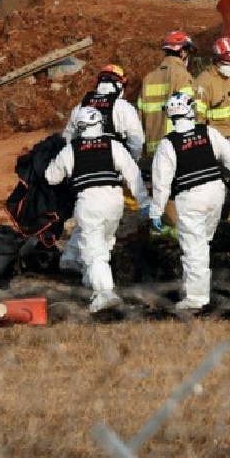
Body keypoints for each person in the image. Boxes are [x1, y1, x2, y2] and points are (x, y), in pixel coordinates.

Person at [147, 92, 230, 311]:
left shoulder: (168, 145)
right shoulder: (208, 133)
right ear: (191, 111)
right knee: (203, 242)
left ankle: (196, 298)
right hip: (215, 191)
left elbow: (161, 184)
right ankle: (201, 285)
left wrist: (156, 211)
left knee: (194, 249)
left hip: (190, 197)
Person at [44, 107, 150, 313]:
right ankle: (89, 282)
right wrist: (144, 202)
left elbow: (51, 177)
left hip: (90, 202)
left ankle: (104, 293)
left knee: (95, 252)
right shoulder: (113, 145)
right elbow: (132, 173)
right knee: (105, 243)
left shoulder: (71, 150)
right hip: (114, 202)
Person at [137, 31, 197, 157]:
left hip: (152, 150)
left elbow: (140, 117)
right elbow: (189, 113)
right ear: (182, 52)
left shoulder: (148, 79)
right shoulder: (182, 76)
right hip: (176, 148)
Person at [63, 64, 143, 158]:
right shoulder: (123, 108)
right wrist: (131, 163)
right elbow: (136, 142)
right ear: (119, 85)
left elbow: (68, 139)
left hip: (84, 164)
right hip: (114, 166)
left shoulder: (81, 107)